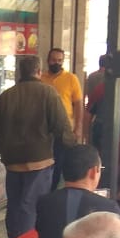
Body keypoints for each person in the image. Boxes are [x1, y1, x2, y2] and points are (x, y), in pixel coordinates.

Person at [0, 54, 75, 238]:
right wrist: (74, 148)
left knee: (14, 202)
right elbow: (61, 127)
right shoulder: (48, 93)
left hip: (12, 160)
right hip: (39, 160)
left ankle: (14, 237)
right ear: (38, 71)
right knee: (31, 204)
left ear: (20, 73)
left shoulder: (7, 96)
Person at [41, 47, 84, 189]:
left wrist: (78, 128)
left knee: (62, 162)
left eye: (60, 60)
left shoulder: (71, 79)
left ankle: (58, 191)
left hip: (65, 130)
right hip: (44, 130)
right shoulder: (41, 79)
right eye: (54, 60)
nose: (57, 63)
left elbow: (78, 104)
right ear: (48, 61)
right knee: (47, 163)